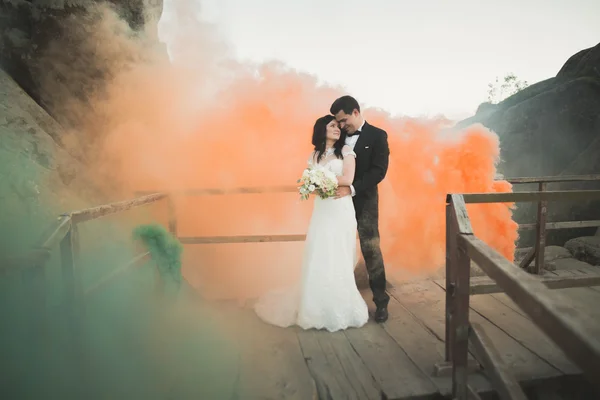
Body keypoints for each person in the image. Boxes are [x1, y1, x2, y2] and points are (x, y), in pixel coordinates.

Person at [253, 115, 369, 332]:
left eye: (338, 126)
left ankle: (340, 305)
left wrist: (323, 181)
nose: (337, 129)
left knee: (338, 252)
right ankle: (314, 308)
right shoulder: (314, 155)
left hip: (340, 208)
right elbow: (310, 182)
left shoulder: (345, 151)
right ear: (321, 129)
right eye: (332, 126)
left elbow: (348, 179)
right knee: (318, 251)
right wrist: (313, 184)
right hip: (323, 209)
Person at [330, 95, 390, 322]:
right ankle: (336, 300)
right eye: (339, 122)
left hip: (365, 201)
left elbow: (379, 171)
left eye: (344, 120)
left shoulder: (378, 135)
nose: (342, 126)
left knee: (371, 249)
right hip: (337, 202)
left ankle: (381, 303)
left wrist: (352, 189)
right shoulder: (337, 133)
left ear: (356, 112)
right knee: (336, 247)